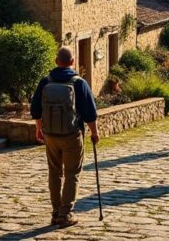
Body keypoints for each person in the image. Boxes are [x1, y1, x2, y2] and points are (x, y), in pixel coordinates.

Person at [31, 46, 99, 228]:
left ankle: (55, 212)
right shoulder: (79, 83)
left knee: (54, 172)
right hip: (71, 135)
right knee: (71, 174)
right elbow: (90, 113)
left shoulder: (45, 81)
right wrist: (95, 132)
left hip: (50, 135)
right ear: (72, 62)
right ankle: (65, 214)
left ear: (55, 61)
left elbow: (35, 109)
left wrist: (39, 129)